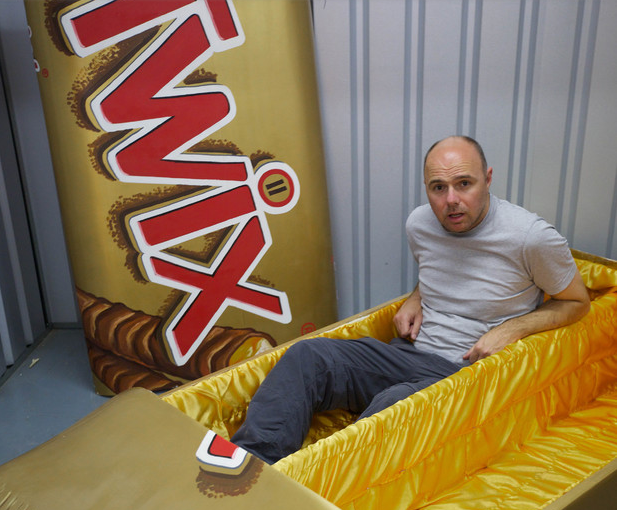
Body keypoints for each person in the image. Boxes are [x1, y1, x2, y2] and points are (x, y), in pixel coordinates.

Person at [232, 136, 590, 464]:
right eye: (438, 188)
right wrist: (417, 296)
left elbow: (577, 302)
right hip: (408, 354)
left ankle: (320, 483)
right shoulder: (421, 223)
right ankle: (250, 469)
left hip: (468, 375)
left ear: (488, 178)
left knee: (392, 405)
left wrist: (513, 329)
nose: (451, 200)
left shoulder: (530, 237)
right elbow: (446, 269)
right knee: (308, 356)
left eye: (464, 184)